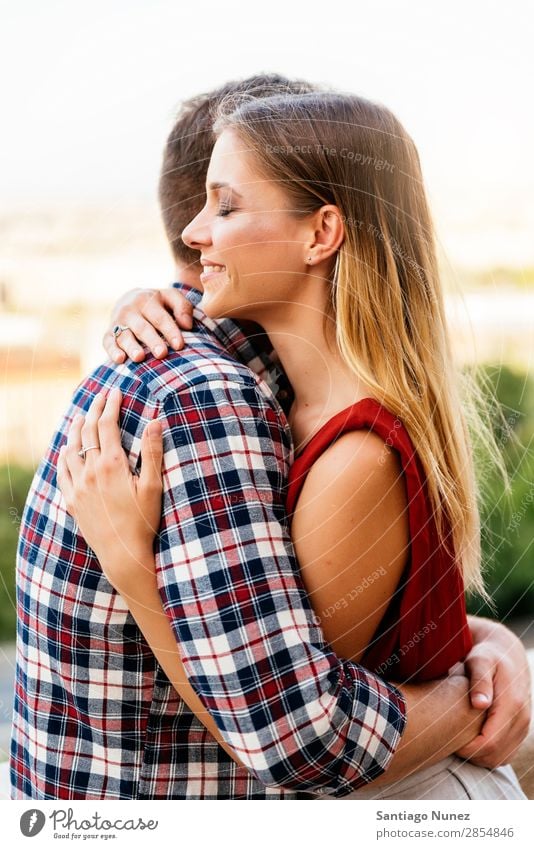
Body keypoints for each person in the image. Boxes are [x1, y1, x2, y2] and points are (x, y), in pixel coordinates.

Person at [11, 77, 529, 801]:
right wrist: (481, 649)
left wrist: (133, 566)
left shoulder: (333, 440)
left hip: (412, 796)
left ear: (321, 232)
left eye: (226, 204)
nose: (199, 231)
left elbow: (288, 730)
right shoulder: (240, 378)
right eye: (204, 206)